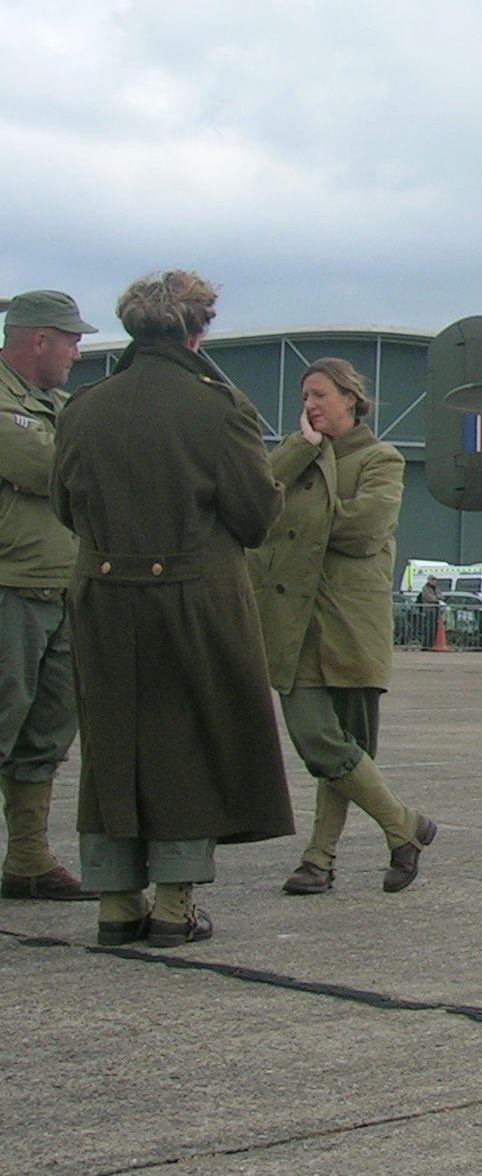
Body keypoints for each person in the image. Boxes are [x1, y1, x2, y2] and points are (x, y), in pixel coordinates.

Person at [52, 270, 294, 946]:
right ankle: (174, 903)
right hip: (193, 598)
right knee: (186, 738)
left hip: (100, 596)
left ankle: (116, 902)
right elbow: (255, 516)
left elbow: (65, 507)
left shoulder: (84, 406)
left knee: (111, 743)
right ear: (197, 329)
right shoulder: (216, 407)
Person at [250, 358, 437, 895]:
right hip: (294, 624)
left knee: (348, 746)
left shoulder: (383, 460)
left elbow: (363, 527)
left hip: (350, 623)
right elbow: (256, 500)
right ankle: (405, 827)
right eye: (304, 396)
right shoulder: (299, 457)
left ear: (352, 400)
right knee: (319, 740)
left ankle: (318, 859)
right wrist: (296, 451)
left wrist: (295, 521)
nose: (309, 406)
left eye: (320, 395)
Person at [0, 290, 98, 903]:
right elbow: (48, 470)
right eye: (72, 340)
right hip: (9, 587)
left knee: (48, 733)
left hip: (62, 587)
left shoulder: (58, 404)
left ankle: (28, 857)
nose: (77, 353)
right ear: (39, 339)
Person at [415, 573, 443, 650]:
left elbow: (442, 595)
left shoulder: (436, 588)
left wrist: (436, 597)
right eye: (432, 579)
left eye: (435, 580)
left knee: (435, 628)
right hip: (429, 610)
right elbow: (428, 597)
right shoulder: (425, 588)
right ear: (429, 580)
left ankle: (432, 644)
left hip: (436, 610)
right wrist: (437, 598)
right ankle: (426, 645)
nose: (434, 581)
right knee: (429, 628)